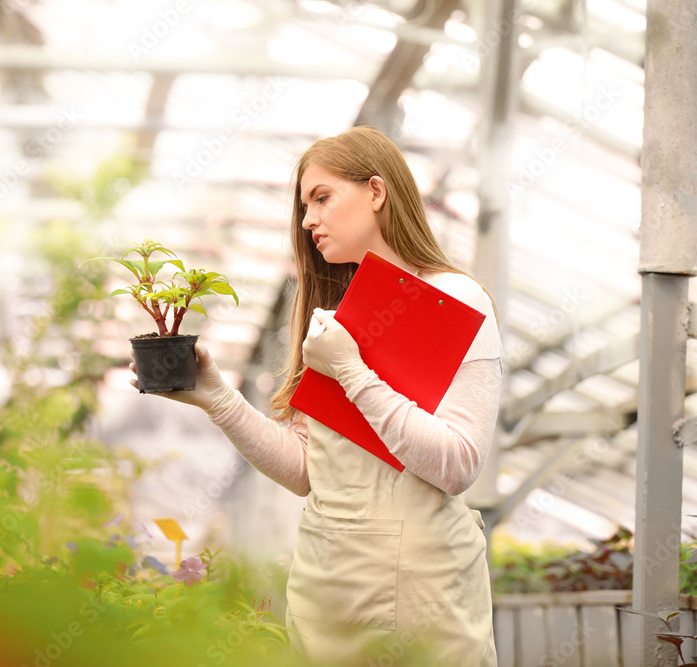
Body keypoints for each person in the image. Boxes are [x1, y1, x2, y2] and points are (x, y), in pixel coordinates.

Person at [129, 126, 502, 665]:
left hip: (424, 590)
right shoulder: (334, 315)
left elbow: (456, 465)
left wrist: (351, 370)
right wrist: (217, 398)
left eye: (322, 198)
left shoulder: (456, 299)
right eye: (304, 206)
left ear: (376, 192)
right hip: (325, 587)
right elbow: (310, 469)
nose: (307, 221)